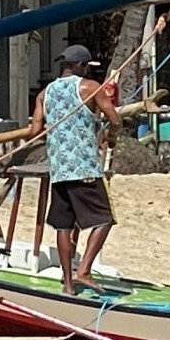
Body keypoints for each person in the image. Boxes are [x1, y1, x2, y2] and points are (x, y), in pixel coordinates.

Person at [31, 44, 121, 295]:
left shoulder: (44, 94)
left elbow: (34, 132)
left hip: (59, 169)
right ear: (81, 66)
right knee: (104, 219)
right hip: (85, 168)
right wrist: (110, 137)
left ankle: (68, 285)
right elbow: (115, 119)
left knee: (64, 225)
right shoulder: (90, 88)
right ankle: (83, 271)